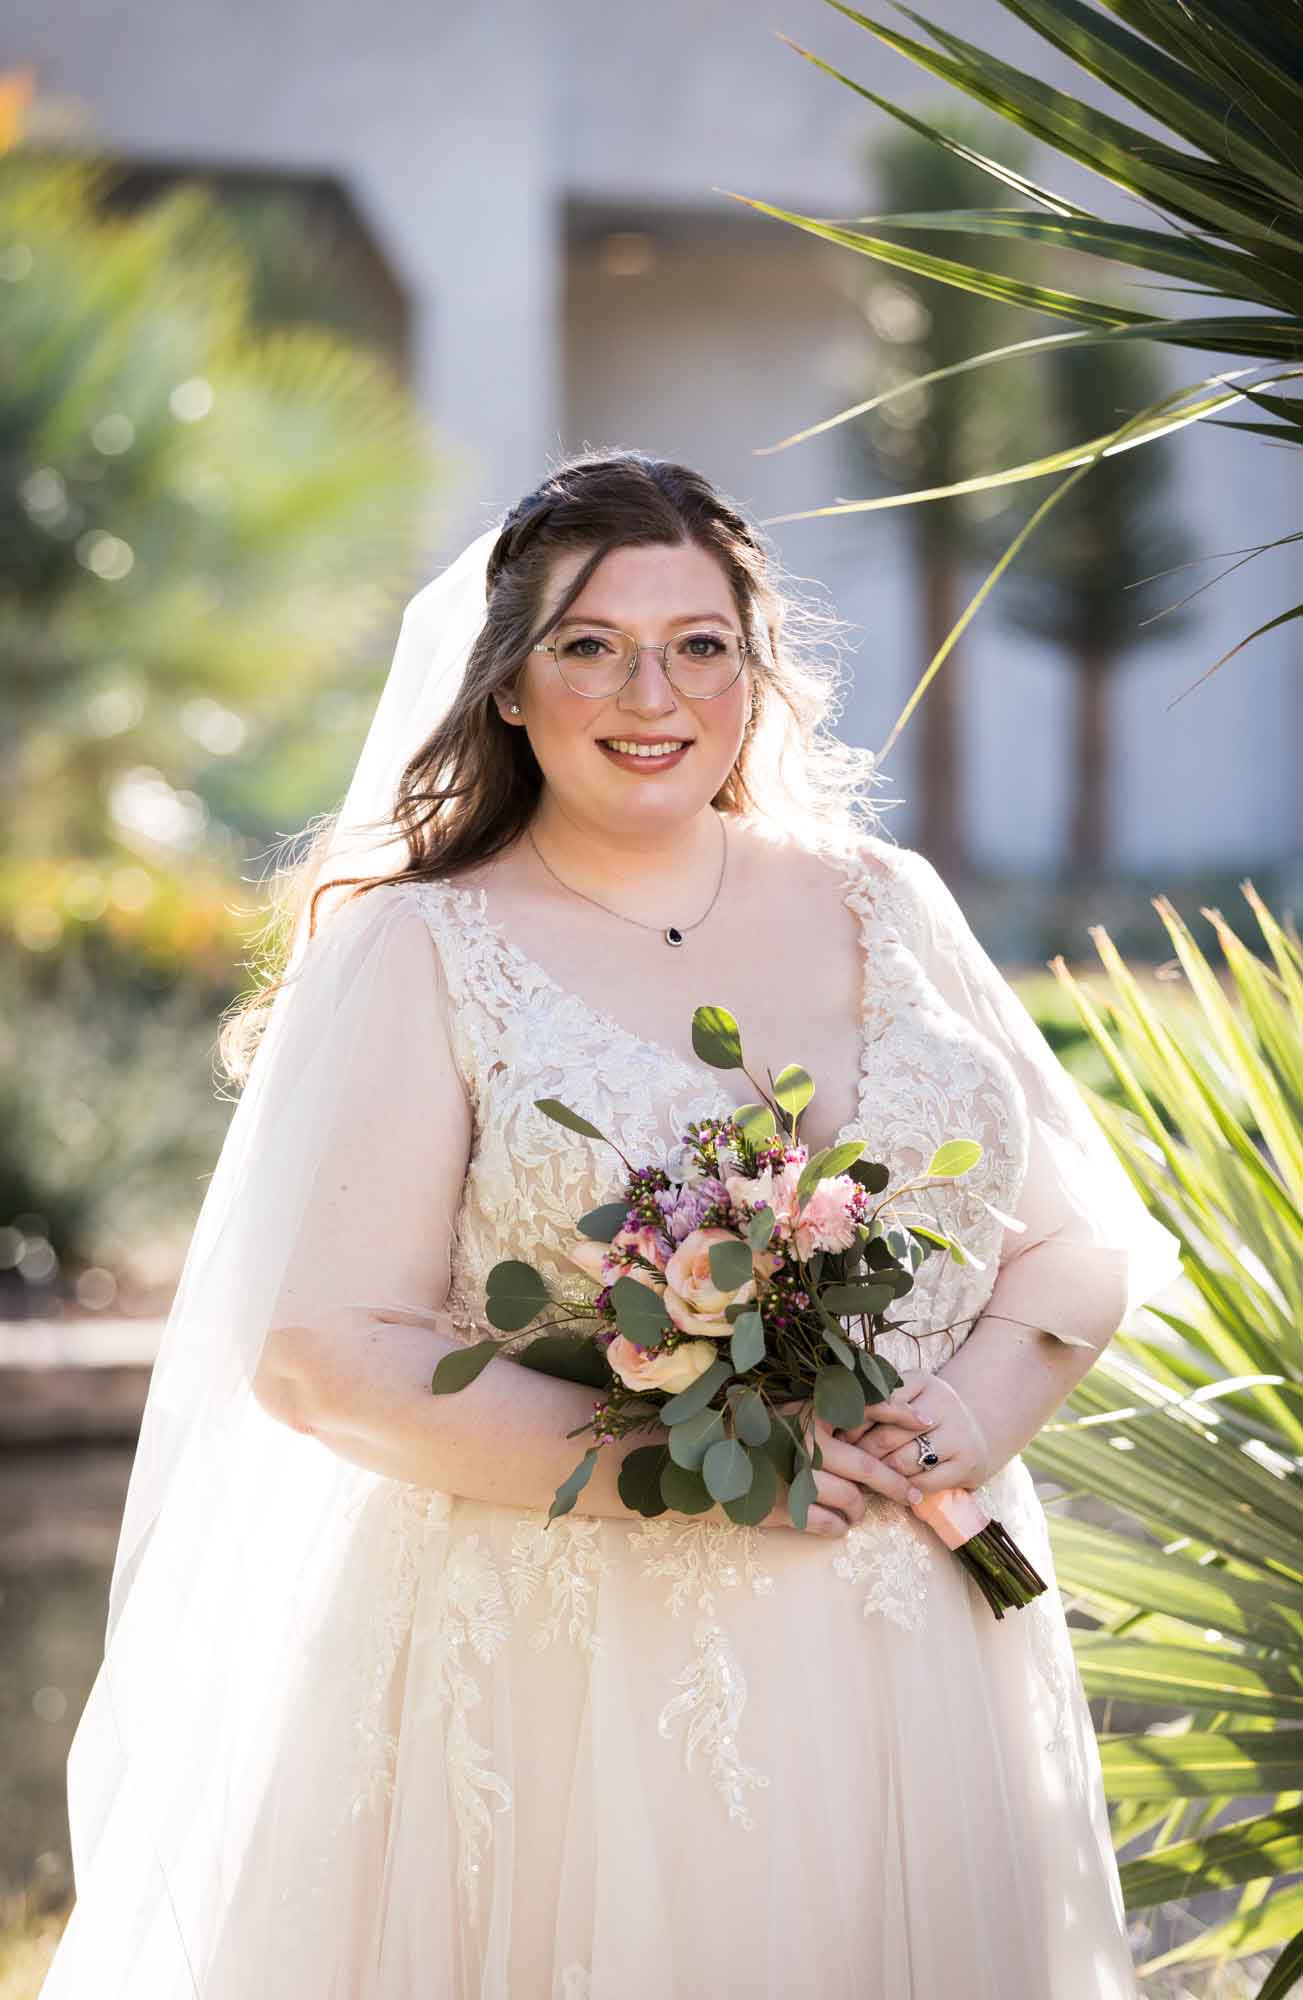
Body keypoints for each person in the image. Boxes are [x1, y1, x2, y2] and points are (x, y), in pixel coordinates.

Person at [41, 449, 1182, 1998]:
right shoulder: (425, 950)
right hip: (574, 1671)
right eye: (590, 645)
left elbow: (1071, 1245)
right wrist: (693, 1475)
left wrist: (964, 1420)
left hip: (909, 1640)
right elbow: (324, 1353)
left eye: (699, 644)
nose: (653, 690)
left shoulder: (884, 899)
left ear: (754, 673)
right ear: (509, 684)